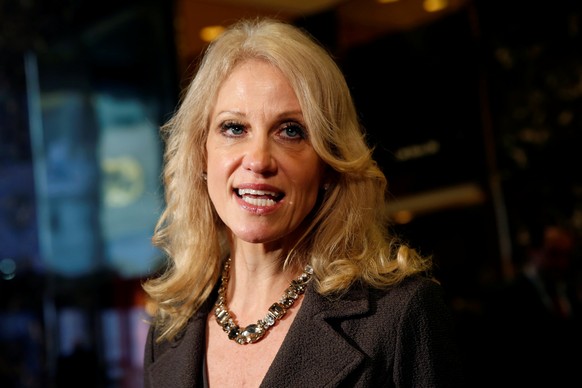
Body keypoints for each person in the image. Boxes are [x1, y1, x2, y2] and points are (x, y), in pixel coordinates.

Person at [142, 17, 464, 387]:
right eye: (234, 128)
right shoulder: (169, 332)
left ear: (328, 163)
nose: (259, 159)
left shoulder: (403, 315)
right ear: (202, 154)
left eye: (290, 131)